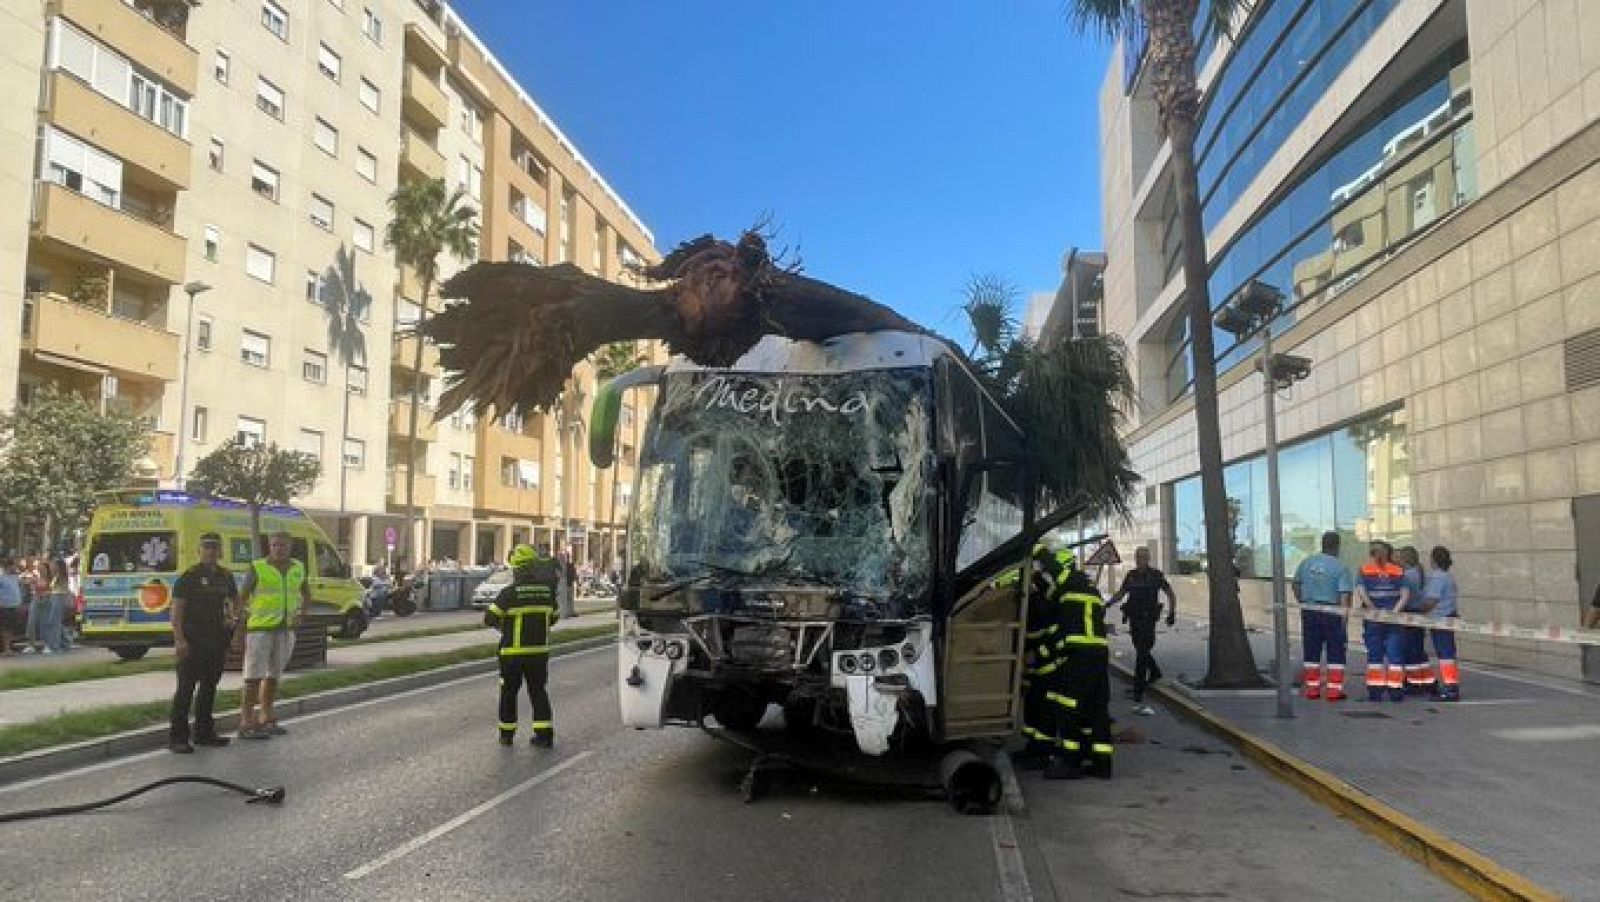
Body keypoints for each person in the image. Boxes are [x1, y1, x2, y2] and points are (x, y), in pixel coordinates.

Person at [168, 533, 239, 753]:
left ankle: (204, 732)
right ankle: (178, 738)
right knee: (186, 688)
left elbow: (235, 603)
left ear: (220, 552)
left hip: (217, 638)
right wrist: (179, 639)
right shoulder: (189, 577)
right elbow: (177, 610)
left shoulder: (225, 577)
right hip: (193, 639)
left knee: (209, 687)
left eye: (215, 548)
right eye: (206, 548)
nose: (211, 552)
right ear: (199, 551)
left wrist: (235, 625)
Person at [237, 531, 311, 739]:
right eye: (274, 545)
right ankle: (246, 721)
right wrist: (241, 622)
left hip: (285, 629)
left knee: (273, 675)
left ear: (290, 547)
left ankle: (266, 716)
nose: (278, 549)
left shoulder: (298, 567)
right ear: (269, 546)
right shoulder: (258, 567)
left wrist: (302, 613)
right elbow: (241, 597)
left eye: (282, 545)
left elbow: (306, 593)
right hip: (260, 629)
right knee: (253, 676)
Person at [487, 544, 561, 747]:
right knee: (538, 692)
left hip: (512, 654)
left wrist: (505, 628)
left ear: (516, 569)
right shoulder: (546, 593)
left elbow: (490, 618)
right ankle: (544, 736)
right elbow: (554, 617)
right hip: (539, 653)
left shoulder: (509, 594)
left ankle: (507, 735)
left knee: (508, 694)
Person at [1108, 546, 1176, 706]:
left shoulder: (1156, 575)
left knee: (1142, 653)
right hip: (1134, 618)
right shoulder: (1131, 575)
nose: (1141, 560)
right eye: (1138, 557)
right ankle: (1155, 672)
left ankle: (1138, 690)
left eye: (1144, 557)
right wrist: (1108, 604)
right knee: (1140, 648)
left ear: (1148, 558)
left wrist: (1172, 613)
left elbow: (1170, 594)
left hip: (1148, 619)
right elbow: (1122, 593)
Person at [1291, 531, 1353, 701]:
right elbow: (1344, 595)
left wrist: (1302, 601)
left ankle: (1312, 689)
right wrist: (1345, 619)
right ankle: (1334, 691)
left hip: (1309, 611)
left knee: (1311, 650)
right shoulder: (1340, 567)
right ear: (1337, 546)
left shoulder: (1306, 562)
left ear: (1322, 544)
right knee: (1336, 652)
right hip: (1332, 613)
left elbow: (1295, 584)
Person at [1356, 541, 1410, 702]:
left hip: (1374, 619)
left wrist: (1373, 609)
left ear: (1371, 554)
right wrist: (1394, 612)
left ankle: (1375, 691)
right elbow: (1405, 595)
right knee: (1395, 654)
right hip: (1393, 619)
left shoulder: (1364, 570)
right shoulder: (1398, 570)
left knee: (1375, 655)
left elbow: (1362, 593)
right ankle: (1395, 691)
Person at [1418, 546, 1461, 701]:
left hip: (1440, 620)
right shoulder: (1448, 577)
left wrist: (1419, 611)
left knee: (1445, 656)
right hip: (1447, 618)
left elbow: (1432, 600)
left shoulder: (1438, 578)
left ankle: (1451, 689)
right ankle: (1451, 686)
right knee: (1448, 654)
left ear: (1433, 560)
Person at [1395, 546, 1433, 695]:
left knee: (1410, 649)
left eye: (1399, 557)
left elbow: (1403, 596)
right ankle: (1427, 681)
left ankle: (1414, 682)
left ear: (1405, 559)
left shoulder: (1407, 576)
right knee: (1418, 649)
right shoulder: (1420, 573)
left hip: (1409, 613)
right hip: (1418, 613)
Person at [0, 559, 22, 655]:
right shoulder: (1, 578)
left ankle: (9, 648)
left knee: (11, 628)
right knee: (6, 628)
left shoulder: (14, 577)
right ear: (8, 567)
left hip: (15, 606)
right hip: (5, 606)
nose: (15, 568)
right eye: (13, 566)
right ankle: (6, 649)